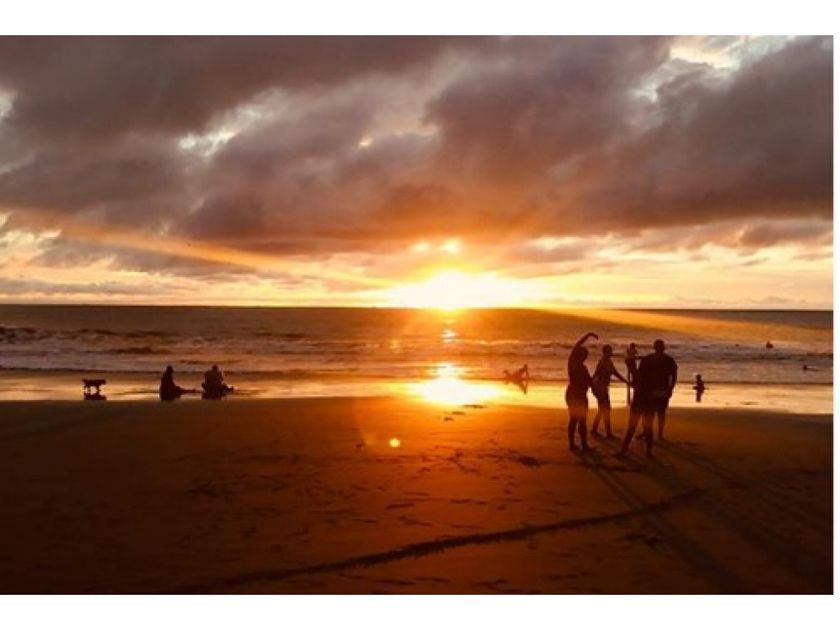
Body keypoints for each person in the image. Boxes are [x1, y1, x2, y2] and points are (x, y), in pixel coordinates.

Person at [620, 339, 678, 458]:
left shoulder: (651, 361)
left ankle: (630, 450)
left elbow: (673, 375)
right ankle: (647, 451)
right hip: (651, 395)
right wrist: (670, 388)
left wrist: (670, 388)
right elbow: (673, 375)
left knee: (637, 424)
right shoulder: (652, 361)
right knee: (647, 423)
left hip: (648, 396)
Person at [566, 332, 597, 451]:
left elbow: (589, 382)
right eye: (584, 355)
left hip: (579, 394)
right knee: (575, 419)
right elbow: (577, 345)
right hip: (575, 394)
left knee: (580, 420)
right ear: (578, 355)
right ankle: (575, 444)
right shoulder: (572, 363)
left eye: (586, 356)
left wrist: (596, 380)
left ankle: (581, 444)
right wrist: (588, 335)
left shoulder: (583, 367)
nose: (585, 358)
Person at [590, 345, 629, 439]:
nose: (611, 353)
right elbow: (614, 373)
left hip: (601, 387)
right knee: (606, 409)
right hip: (600, 388)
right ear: (606, 352)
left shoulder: (606, 362)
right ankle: (607, 433)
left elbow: (613, 373)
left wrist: (626, 382)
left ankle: (595, 430)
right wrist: (627, 382)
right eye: (609, 351)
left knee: (603, 409)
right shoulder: (604, 362)